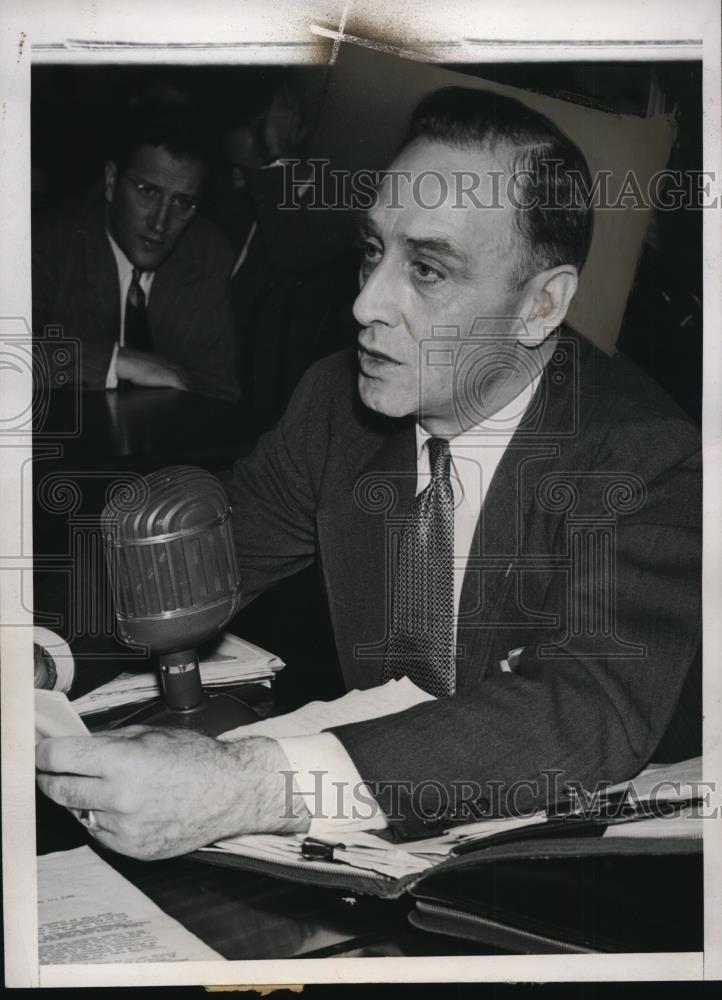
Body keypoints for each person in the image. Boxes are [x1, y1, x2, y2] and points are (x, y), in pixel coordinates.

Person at [36, 87, 701, 861]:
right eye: (371, 251)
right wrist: (41, 648)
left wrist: (245, 786)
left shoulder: (647, 457)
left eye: (426, 269)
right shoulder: (336, 404)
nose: (365, 304)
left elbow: (580, 714)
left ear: (541, 305)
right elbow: (188, 562)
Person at [32, 101, 240, 402]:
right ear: (111, 182)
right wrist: (117, 362)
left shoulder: (205, 252)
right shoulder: (52, 240)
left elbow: (219, 391)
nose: (160, 223)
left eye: (182, 203)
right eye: (147, 192)